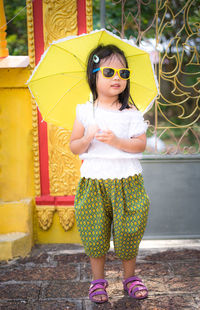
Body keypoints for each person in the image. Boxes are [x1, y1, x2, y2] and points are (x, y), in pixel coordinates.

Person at [70, 44, 150, 304]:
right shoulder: (85, 111)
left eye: (123, 73)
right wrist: (88, 137)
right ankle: (98, 281)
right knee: (95, 232)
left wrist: (116, 141)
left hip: (127, 181)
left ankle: (129, 278)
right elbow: (74, 146)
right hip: (93, 182)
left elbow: (139, 145)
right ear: (94, 75)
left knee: (129, 230)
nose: (117, 77)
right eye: (109, 71)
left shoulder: (131, 113)